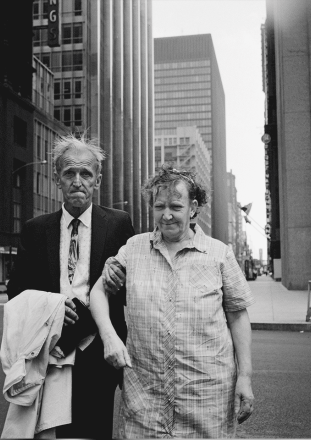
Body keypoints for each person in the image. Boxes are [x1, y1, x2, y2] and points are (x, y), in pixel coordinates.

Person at [87, 166, 255, 438]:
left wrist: (245, 377)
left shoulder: (219, 254)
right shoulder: (133, 248)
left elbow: (237, 316)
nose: (166, 215)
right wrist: (109, 336)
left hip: (206, 399)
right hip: (145, 401)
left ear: (193, 208)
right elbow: (98, 292)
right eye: (159, 206)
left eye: (176, 206)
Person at [6, 133, 135, 438]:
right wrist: (50, 306)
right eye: (69, 173)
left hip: (98, 352)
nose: (78, 181)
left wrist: (123, 281)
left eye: (86, 173)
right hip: (50, 349)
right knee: (52, 431)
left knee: (94, 431)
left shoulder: (119, 223)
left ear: (98, 180)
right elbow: (16, 290)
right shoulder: (36, 230)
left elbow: (136, 289)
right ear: (57, 179)